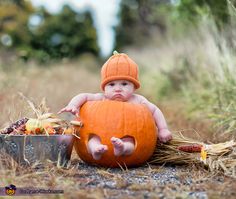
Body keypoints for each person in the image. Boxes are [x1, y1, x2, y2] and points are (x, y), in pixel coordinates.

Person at [59, 52, 172, 160]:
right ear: (104, 88)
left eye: (124, 84)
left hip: (127, 136)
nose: (118, 88)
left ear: (134, 86)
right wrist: (73, 105)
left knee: (131, 142)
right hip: (100, 138)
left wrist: (163, 129)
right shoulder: (101, 97)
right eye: (111, 84)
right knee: (93, 139)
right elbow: (83, 96)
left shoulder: (138, 100)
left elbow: (155, 110)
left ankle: (122, 148)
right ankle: (95, 150)